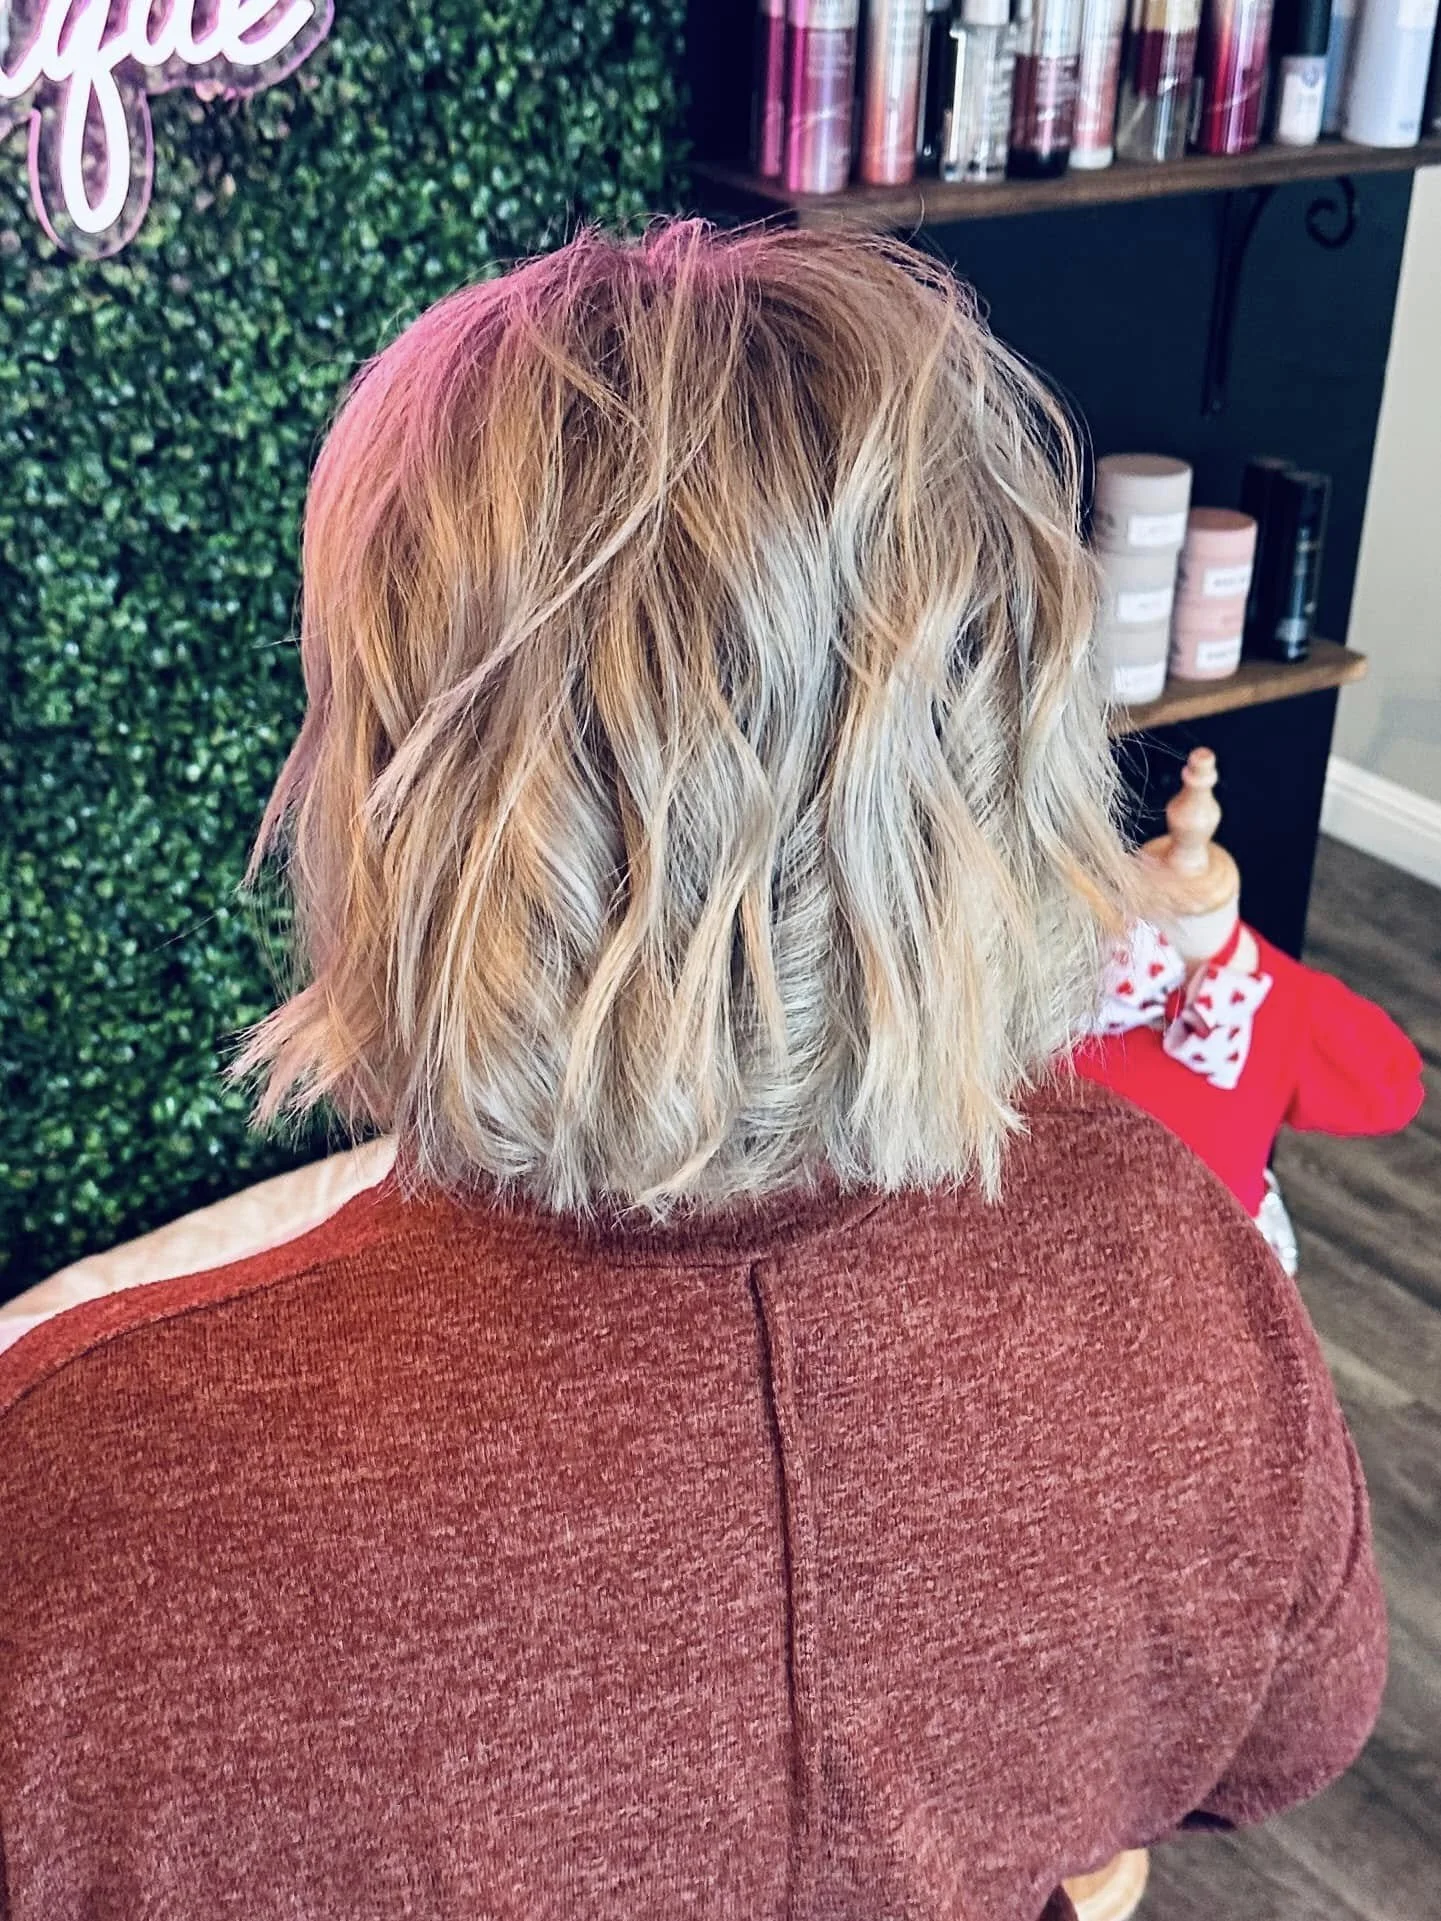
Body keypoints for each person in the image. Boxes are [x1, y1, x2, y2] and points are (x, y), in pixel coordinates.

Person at [0, 221, 1385, 1921]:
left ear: (392, 779)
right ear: (1001, 738)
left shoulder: (88, 1484)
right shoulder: (1175, 1248)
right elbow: (1291, 1741)